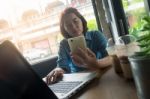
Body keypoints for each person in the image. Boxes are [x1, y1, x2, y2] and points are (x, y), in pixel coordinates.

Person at [46, 7, 112, 84]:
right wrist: (58, 70)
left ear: (81, 20)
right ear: (65, 29)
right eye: (68, 25)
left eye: (75, 21)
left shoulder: (96, 35)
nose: (73, 27)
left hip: (100, 75)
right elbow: (62, 66)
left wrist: (96, 64)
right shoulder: (64, 44)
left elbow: (110, 57)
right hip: (79, 82)